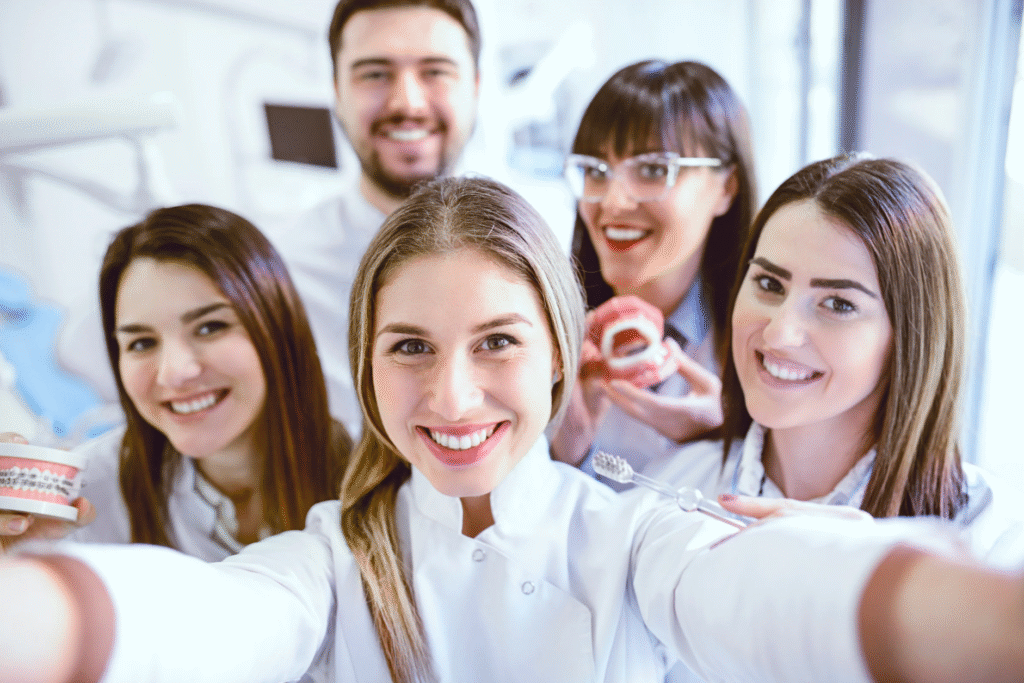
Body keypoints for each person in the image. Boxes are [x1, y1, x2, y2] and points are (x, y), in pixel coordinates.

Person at [3, 177, 1024, 683]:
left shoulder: (636, 529)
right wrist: (44, 621)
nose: (451, 397)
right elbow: (213, 619)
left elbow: (758, 587)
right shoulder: (329, 553)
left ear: (554, 352)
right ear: (362, 359)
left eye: (495, 340)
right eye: (408, 346)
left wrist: (937, 604)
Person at [645, 153, 1024, 569]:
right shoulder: (667, 494)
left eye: (839, 304)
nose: (779, 333)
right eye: (769, 283)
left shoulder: (987, 543)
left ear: (910, 335)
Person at [0, 204, 351, 560]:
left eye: (210, 327)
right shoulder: (85, 499)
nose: (173, 372)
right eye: (142, 343)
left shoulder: (377, 480)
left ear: (278, 326)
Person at [550, 60, 758, 481]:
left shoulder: (766, 345)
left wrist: (726, 440)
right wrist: (564, 451)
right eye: (595, 171)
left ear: (726, 187)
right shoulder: (547, 336)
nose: (613, 202)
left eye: (652, 170)